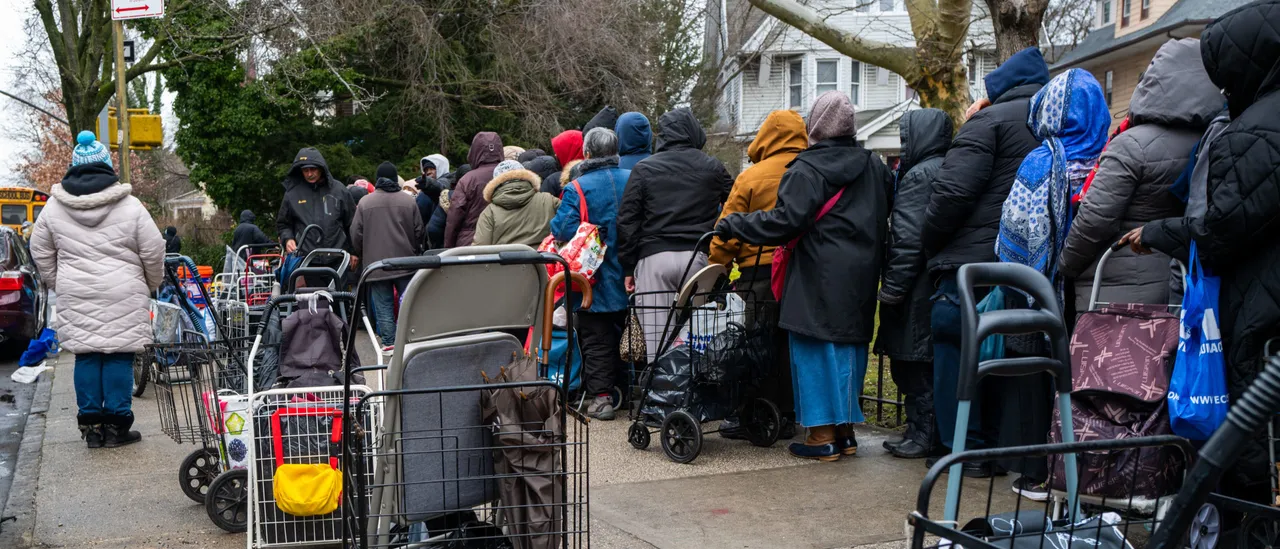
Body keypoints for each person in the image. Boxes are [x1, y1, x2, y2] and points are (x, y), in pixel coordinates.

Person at [1124, 0, 1280, 504]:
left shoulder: (1253, 130)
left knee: (1253, 443)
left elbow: (1222, 230)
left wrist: (1158, 233)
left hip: (1260, 308)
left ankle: (1245, 523)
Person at [716, 91, 891, 462]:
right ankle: (845, 433)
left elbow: (785, 221)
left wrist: (737, 224)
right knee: (849, 348)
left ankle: (820, 436)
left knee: (812, 348)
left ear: (816, 126)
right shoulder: (874, 167)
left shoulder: (806, 169)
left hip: (816, 271)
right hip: (862, 274)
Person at [922, 46, 1049, 480]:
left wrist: (931, 245)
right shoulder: (1051, 123)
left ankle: (964, 450)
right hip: (1029, 264)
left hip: (969, 263)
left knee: (956, 351)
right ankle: (998, 450)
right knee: (1009, 356)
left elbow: (950, 195)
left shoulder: (987, 122)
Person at [994, 68, 1110, 498]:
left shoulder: (1040, 161)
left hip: (1037, 294)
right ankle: (1082, 471)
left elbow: (1011, 236)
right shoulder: (1108, 158)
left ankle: (1037, 471)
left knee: (1035, 378)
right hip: (1092, 292)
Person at [1058, 39, 1223, 313]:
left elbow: (1094, 221)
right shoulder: (1214, 140)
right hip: (1180, 287)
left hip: (1116, 294)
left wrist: (1064, 265)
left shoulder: (1130, 145)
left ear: (1154, 81)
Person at [30, 131, 164, 448]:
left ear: (74, 168)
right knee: (118, 356)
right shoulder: (130, 206)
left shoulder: (54, 208)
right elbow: (154, 250)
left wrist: (58, 281)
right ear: (107, 166)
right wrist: (150, 283)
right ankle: (117, 428)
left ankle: (92, 430)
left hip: (76, 292)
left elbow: (39, 250)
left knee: (87, 356)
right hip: (124, 292)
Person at [709, 109, 807, 441]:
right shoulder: (810, 171)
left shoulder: (751, 177)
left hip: (759, 275)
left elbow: (726, 232)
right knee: (791, 345)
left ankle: (754, 414)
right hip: (802, 272)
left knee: (755, 345)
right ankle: (789, 413)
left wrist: (719, 267)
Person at [617, 107, 732, 361]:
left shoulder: (644, 169)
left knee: (658, 342)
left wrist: (628, 266)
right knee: (699, 337)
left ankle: (660, 383)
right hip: (698, 258)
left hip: (654, 259)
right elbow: (735, 203)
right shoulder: (712, 167)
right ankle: (696, 383)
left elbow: (627, 220)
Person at [876, 108, 953, 460]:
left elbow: (906, 238)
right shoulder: (946, 166)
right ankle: (923, 431)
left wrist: (892, 289)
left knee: (915, 364)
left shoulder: (919, 175)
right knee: (926, 363)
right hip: (932, 279)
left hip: (916, 286)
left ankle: (923, 433)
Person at [549, 128, 630, 420]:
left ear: (587, 153)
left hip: (593, 277)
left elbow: (562, 229)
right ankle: (630, 391)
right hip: (632, 270)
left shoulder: (577, 187)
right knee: (632, 333)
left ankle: (602, 398)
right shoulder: (633, 178)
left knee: (596, 338)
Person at [350, 162, 424, 348]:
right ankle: (411, 342)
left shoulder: (365, 202)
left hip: (377, 265)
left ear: (377, 180)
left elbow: (356, 234)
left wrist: (363, 253)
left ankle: (389, 345)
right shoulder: (409, 201)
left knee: (383, 307)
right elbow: (419, 232)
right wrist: (414, 250)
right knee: (409, 304)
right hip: (406, 262)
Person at [276, 147, 357, 258]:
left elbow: (351, 224)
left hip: (337, 257)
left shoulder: (339, 190)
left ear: (321, 169)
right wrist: (288, 239)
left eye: (313, 169)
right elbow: (283, 224)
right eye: (305, 170)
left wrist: (353, 252)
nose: (309, 174)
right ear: (300, 171)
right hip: (304, 259)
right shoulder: (292, 193)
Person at [474, 160, 560, 246]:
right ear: (527, 176)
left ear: (495, 183)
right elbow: (567, 222)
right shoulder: (549, 200)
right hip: (546, 253)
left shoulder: (489, 213)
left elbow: (481, 246)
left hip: (505, 255)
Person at [445, 132, 504, 247]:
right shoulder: (511, 175)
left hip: (471, 243)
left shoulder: (467, 180)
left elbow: (454, 217)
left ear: (474, 151)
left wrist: (448, 246)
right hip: (506, 241)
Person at [430, 164, 468, 249]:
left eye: (431, 169)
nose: (428, 172)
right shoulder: (486, 195)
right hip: (483, 246)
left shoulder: (448, 197)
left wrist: (438, 246)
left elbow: (433, 229)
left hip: (452, 247)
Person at [416, 155, 449, 249]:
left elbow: (440, 187)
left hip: (435, 239)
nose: (428, 172)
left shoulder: (444, 183)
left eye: (431, 168)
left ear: (440, 167)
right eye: (426, 170)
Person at [541, 130, 584, 197]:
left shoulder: (554, 181)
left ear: (570, 152)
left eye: (560, 152)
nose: (555, 155)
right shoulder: (595, 176)